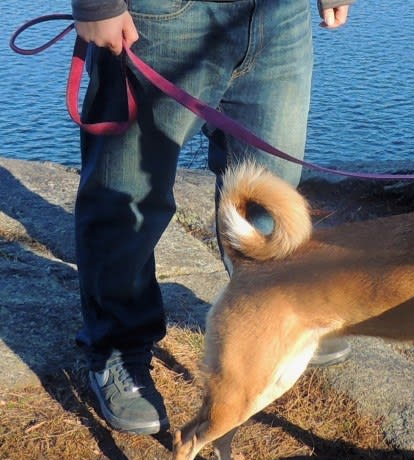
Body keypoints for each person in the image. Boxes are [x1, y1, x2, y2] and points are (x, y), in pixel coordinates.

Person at [71, 0, 354, 436]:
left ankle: (272, 314)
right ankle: (118, 346)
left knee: (271, 191)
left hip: (280, 17)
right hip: (160, 17)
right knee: (126, 198)